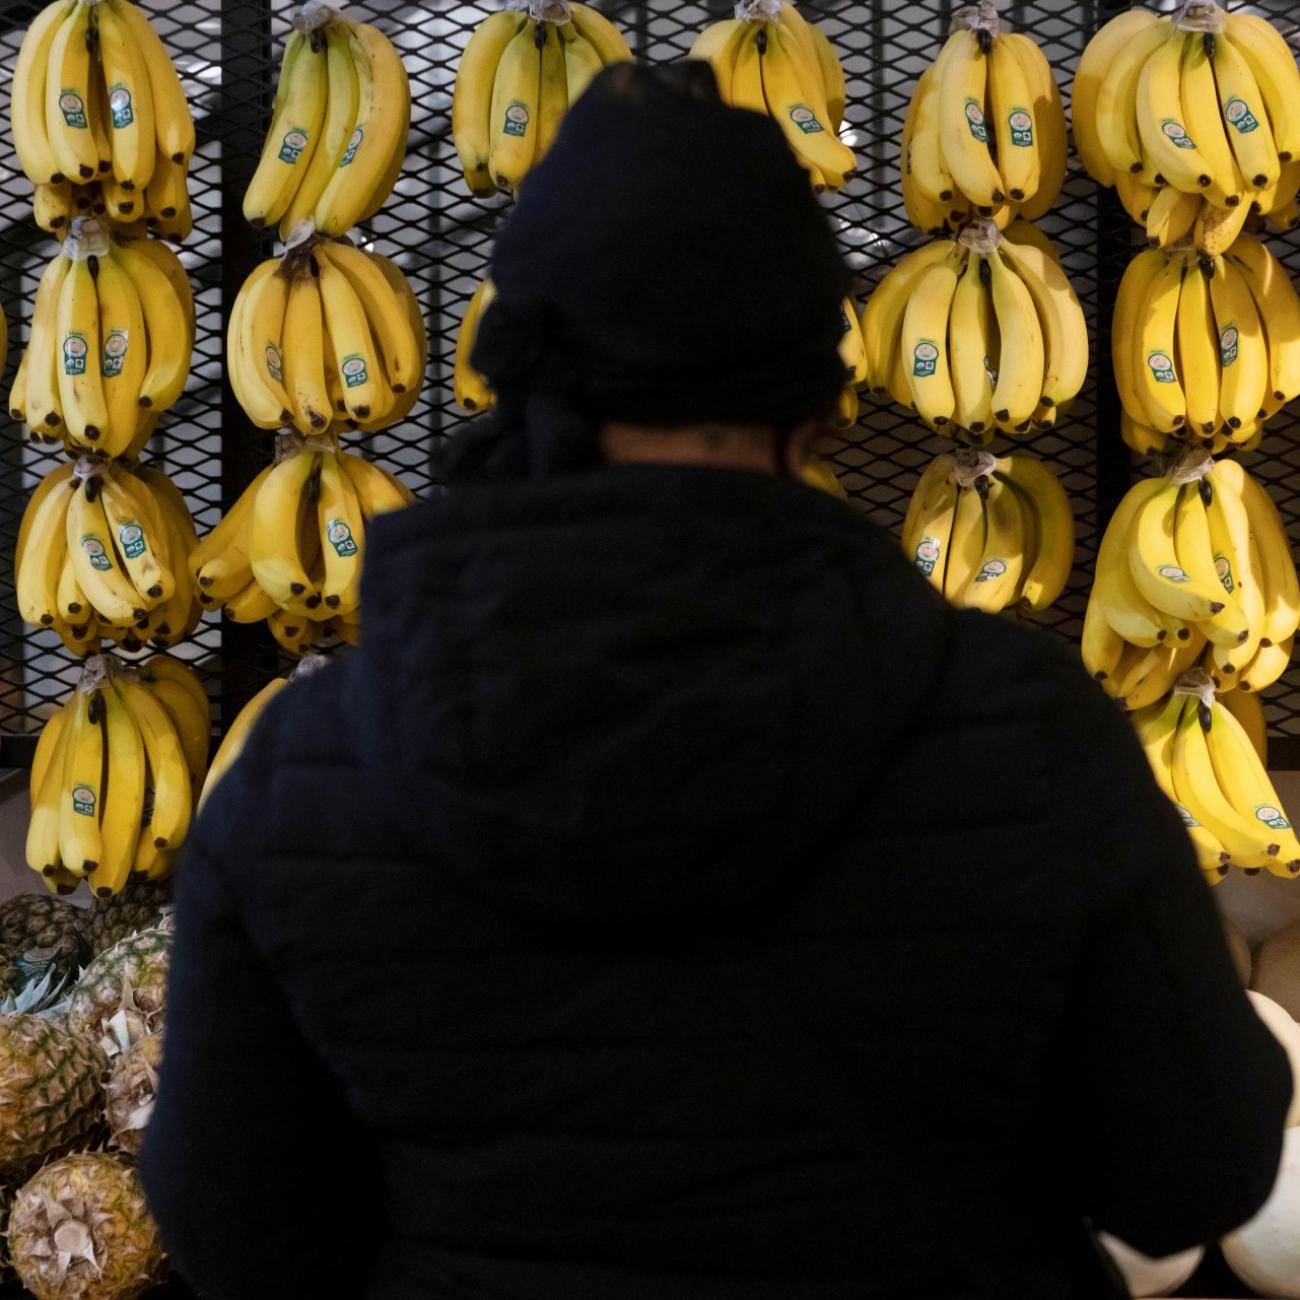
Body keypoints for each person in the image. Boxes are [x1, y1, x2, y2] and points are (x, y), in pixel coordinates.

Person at [140, 62, 1291, 1300]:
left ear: (526, 377)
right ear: (814, 393)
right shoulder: (1030, 735)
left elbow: (235, 1228)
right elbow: (1194, 1168)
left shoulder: (305, 775)